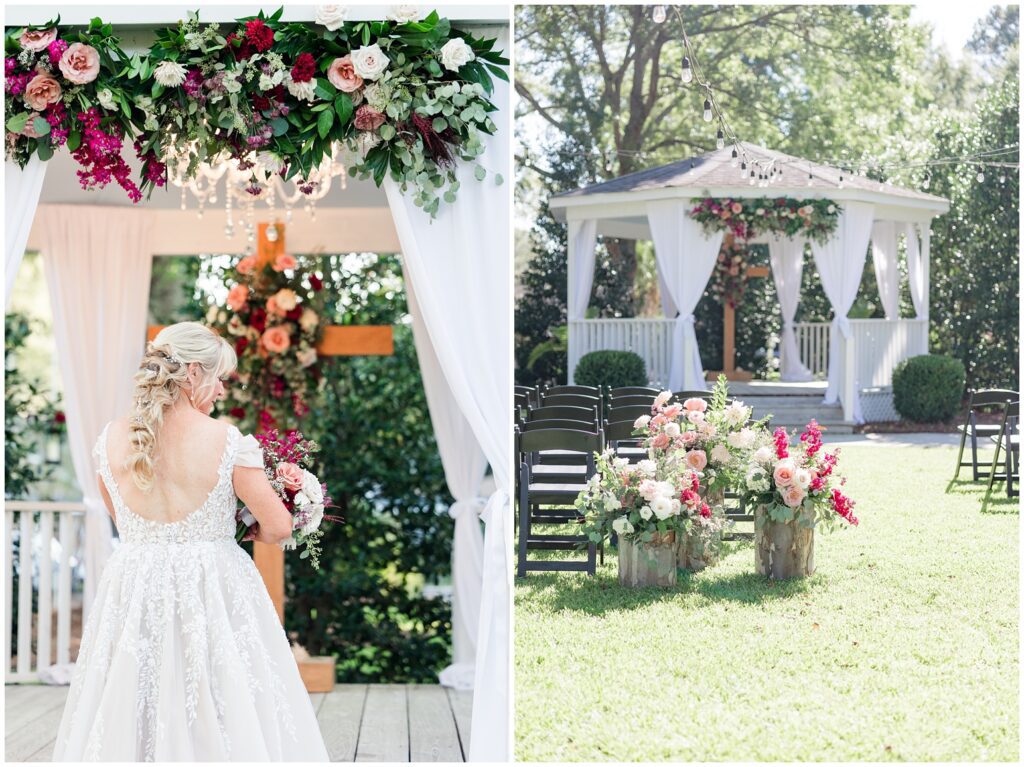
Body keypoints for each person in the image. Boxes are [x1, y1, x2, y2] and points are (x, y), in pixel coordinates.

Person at [52, 321, 330, 761]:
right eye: (219, 377)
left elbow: (121, 516)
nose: (221, 389)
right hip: (211, 586)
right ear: (193, 373)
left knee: (137, 695)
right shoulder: (226, 440)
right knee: (218, 697)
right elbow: (278, 527)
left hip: (136, 585)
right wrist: (249, 525)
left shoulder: (110, 439)